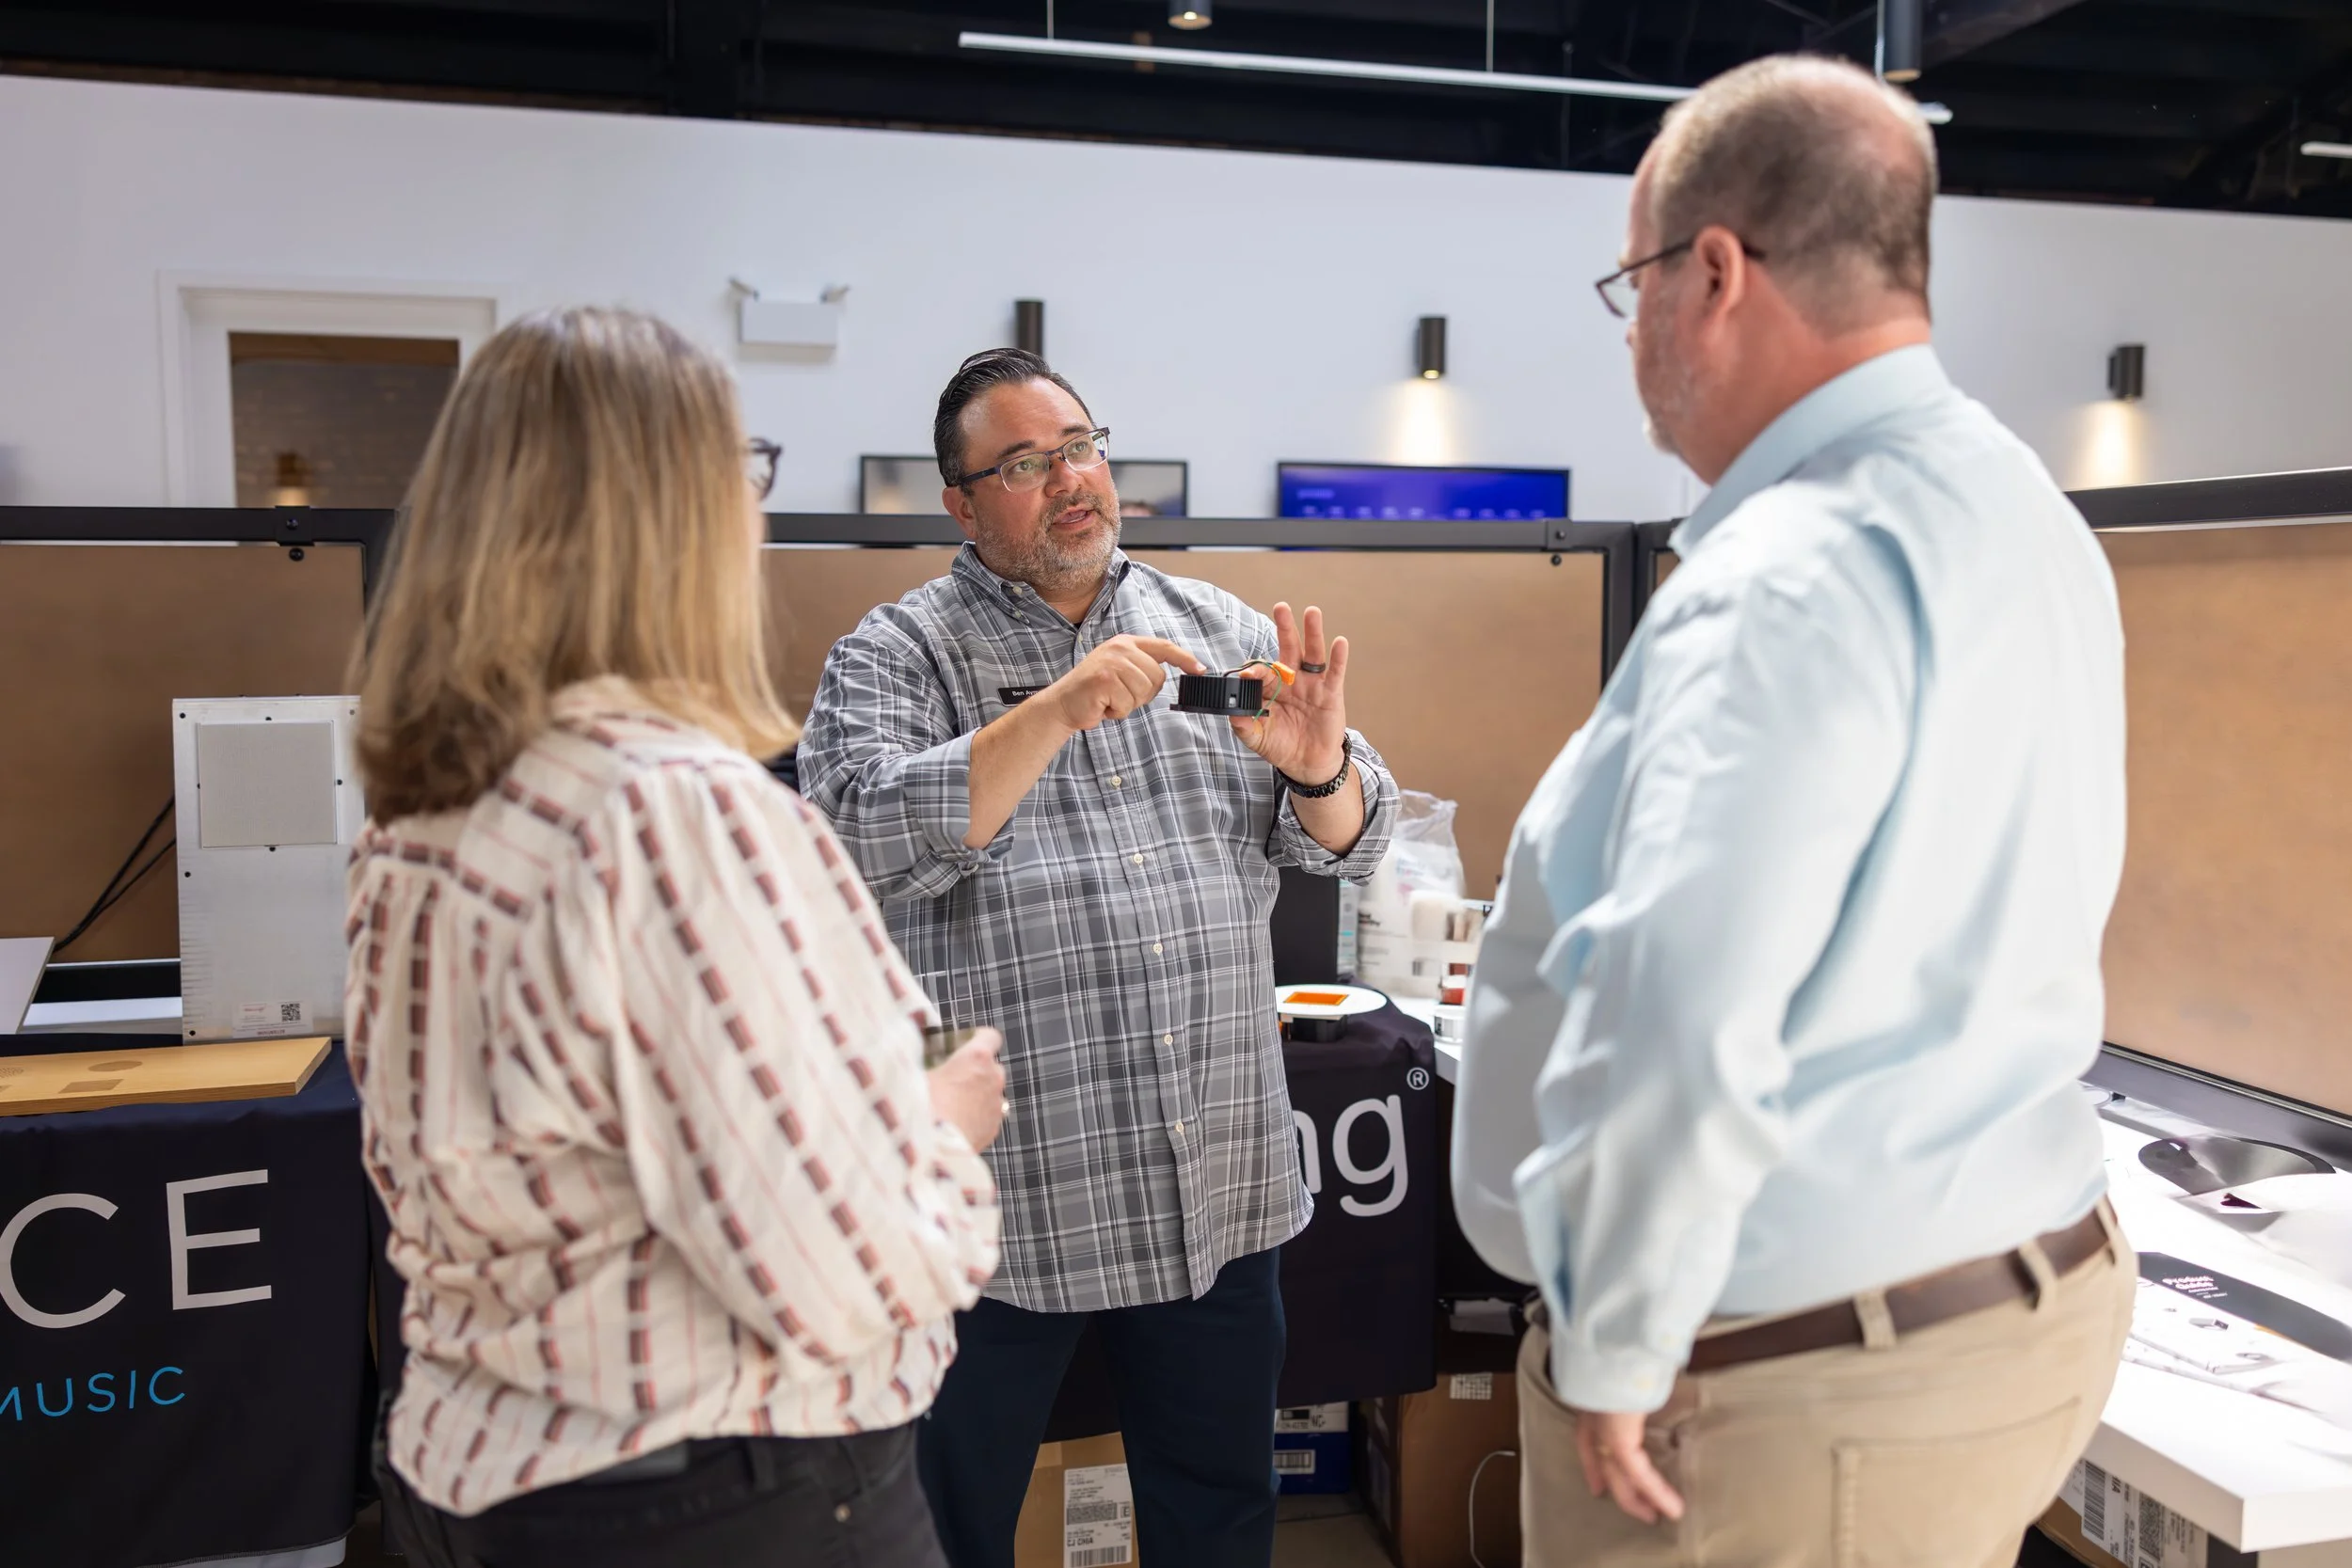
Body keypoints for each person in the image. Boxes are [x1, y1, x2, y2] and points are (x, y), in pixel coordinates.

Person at [1451, 55, 2134, 1568]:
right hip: (2000, 1300)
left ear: (1715, 274)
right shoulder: (2017, 506)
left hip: (1776, 1388)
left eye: (1633, 286)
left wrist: (1618, 1340)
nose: (1634, 334)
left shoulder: (1788, 575)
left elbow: (1685, 1006)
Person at [344, 305, 1006, 1568]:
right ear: (670, 519)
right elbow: (837, 1273)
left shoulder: (420, 813)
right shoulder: (673, 813)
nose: (754, 508)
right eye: (742, 467)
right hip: (715, 1494)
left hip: (473, 1475)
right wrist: (936, 1128)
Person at [797, 347, 1399, 1568]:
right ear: (962, 503)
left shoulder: (1217, 628)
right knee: (948, 1531)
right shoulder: (896, 655)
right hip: (1006, 1214)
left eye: (1079, 446)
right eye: (1025, 463)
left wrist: (1319, 769)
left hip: (1212, 1186)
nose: (1070, 478)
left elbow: (1353, 836)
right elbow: (856, 837)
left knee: (1218, 1517)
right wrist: (1055, 709)